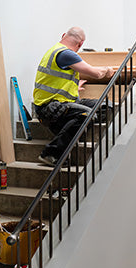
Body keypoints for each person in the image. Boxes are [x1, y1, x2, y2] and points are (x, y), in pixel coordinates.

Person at [32, 27, 116, 166]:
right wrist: (107, 70)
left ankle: (70, 129)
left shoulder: (55, 51)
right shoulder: (66, 54)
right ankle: (51, 153)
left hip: (63, 103)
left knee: (106, 106)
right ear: (80, 44)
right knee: (86, 114)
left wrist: (73, 86)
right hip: (49, 109)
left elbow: (54, 79)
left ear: (63, 35)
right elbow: (96, 73)